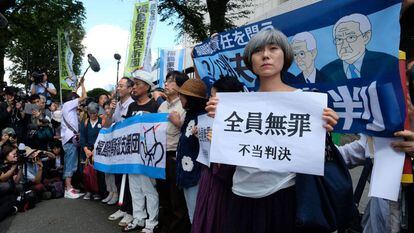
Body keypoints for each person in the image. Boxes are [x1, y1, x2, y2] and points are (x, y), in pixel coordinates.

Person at [205, 28, 339, 233]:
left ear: (285, 56)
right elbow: (230, 155)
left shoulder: (307, 100)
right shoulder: (238, 105)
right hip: (240, 193)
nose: (265, 55)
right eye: (258, 51)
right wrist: (220, 127)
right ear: (250, 60)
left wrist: (326, 130)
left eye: (273, 48)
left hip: (285, 193)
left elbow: (315, 154)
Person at [192, 76, 243, 233]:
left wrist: (220, 144)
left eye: (213, 96)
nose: (209, 100)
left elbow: (230, 167)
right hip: (208, 177)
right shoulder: (209, 119)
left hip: (222, 186)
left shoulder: (241, 123)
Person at [122, 71, 159, 233]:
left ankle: (152, 221)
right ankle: (138, 217)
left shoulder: (155, 105)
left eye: (137, 84)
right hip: (133, 154)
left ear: (147, 87)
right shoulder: (131, 106)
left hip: (149, 154)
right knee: (135, 187)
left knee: (149, 188)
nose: (134, 88)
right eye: (133, 84)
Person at [321, 13, 398, 83]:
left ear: (366, 37)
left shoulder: (388, 63)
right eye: (339, 39)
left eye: (351, 37)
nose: (344, 45)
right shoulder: (327, 72)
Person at [157, 71, 191, 233]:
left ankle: (176, 229)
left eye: (171, 81)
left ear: (180, 86)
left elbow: (191, 132)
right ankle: (164, 226)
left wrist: (178, 123)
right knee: (163, 195)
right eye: (166, 81)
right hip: (159, 155)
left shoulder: (184, 105)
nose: (166, 84)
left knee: (176, 198)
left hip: (175, 157)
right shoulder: (162, 105)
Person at [175, 78, 208, 225]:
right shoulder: (190, 116)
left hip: (197, 175)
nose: (179, 97)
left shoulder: (204, 118)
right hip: (187, 173)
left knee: (197, 215)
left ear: (191, 98)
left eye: (183, 95)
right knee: (192, 213)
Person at [106, 77, 134, 227]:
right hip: (117, 146)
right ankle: (122, 208)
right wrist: (110, 111)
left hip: (128, 148)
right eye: (118, 85)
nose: (118, 88)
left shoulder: (132, 105)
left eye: (122, 86)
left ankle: (130, 211)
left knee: (128, 181)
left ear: (130, 89)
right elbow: (109, 124)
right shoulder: (117, 105)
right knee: (118, 178)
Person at [61, 80, 86, 199]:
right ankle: (68, 189)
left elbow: (74, 94)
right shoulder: (68, 105)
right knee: (70, 164)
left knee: (72, 164)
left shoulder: (68, 106)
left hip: (71, 139)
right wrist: (83, 86)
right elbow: (84, 97)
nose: (79, 104)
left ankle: (70, 187)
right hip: (70, 139)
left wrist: (78, 85)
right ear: (72, 100)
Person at [80, 102, 104, 201]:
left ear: (98, 112)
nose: (93, 115)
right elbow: (82, 137)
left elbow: (103, 136)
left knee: (98, 172)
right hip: (86, 150)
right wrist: (85, 149)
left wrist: (95, 150)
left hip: (98, 150)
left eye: (95, 113)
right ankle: (88, 190)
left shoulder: (101, 121)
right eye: (91, 113)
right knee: (86, 172)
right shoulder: (85, 122)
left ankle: (98, 191)